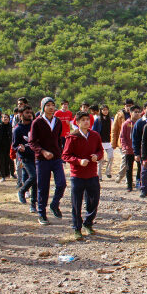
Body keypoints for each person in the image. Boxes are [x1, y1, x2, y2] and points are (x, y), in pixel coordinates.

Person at [62, 111, 103, 241]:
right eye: (83, 120)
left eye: (88, 119)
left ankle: (88, 223)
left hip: (92, 174)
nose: (86, 122)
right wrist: (79, 161)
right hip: (77, 175)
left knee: (94, 200)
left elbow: (100, 150)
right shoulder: (72, 137)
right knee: (76, 203)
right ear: (77, 122)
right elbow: (65, 155)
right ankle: (77, 228)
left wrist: (97, 156)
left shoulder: (95, 135)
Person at [28, 97, 67, 225]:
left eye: (53, 105)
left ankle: (54, 204)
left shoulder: (58, 122)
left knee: (61, 183)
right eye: (48, 105)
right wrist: (43, 152)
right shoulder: (37, 122)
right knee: (43, 187)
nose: (51, 107)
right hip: (42, 159)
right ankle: (41, 213)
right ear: (43, 107)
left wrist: (60, 152)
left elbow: (58, 139)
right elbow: (32, 142)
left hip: (56, 158)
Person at [13, 106, 37, 211]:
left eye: (30, 112)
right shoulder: (17, 129)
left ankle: (33, 204)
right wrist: (19, 147)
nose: (29, 114)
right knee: (33, 176)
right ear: (21, 114)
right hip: (25, 158)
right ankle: (22, 191)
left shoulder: (34, 126)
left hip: (36, 156)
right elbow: (14, 145)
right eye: (27, 112)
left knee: (36, 181)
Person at [132, 101, 147, 198]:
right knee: (144, 170)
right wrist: (136, 153)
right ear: (144, 109)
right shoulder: (139, 122)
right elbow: (135, 139)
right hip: (144, 151)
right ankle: (144, 189)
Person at [112, 99, 134, 183]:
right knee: (125, 158)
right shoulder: (120, 115)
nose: (128, 107)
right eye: (127, 106)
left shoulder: (135, 114)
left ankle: (128, 179)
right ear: (124, 106)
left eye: (130, 106)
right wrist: (113, 143)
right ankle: (121, 176)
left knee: (130, 161)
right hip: (123, 140)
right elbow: (115, 129)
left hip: (133, 141)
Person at [120, 105, 141, 192]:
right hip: (129, 149)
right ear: (130, 113)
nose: (136, 114)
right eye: (135, 112)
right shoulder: (126, 123)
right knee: (129, 168)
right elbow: (122, 137)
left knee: (140, 167)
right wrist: (124, 147)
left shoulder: (141, 123)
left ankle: (139, 182)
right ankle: (129, 185)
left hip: (139, 149)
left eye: (138, 112)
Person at [92, 105, 114, 180]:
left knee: (111, 157)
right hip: (100, 142)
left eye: (106, 110)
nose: (105, 111)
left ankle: (108, 171)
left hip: (108, 141)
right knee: (100, 160)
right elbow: (94, 131)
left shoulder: (110, 120)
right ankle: (99, 176)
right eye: (104, 110)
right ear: (101, 111)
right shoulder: (97, 120)